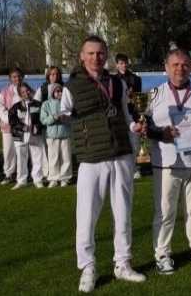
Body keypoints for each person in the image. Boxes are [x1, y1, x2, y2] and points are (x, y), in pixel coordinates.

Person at [58, 35, 146, 292]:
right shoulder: (71, 87)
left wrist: (134, 125)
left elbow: (126, 114)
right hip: (91, 158)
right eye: (91, 53)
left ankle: (123, 263)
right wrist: (64, 116)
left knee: (123, 213)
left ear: (105, 55)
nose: (96, 58)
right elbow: (63, 115)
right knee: (86, 216)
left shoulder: (117, 82)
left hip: (121, 152)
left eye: (100, 53)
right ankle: (87, 266)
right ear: (81, 57)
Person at [145, 49, 191, 274]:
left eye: (185, 65)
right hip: (166, 161)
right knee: (165, 212)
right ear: (166, 67)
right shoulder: (154, 93)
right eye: (175, 65)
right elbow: (145, 126)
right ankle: (162, 253)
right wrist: (161, 134)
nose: (180, 69)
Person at [8, 83, 46, 189]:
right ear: (20, 94)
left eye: (27, 90)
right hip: (20, 135)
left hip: (35, 134)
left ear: (30, 90)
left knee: (37, 156)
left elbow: (42, 119)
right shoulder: (15, 107)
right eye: (23, 92)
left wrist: (38, 126)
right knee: (21, 158)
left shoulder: (38, 104)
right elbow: (12, 121)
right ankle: (21, 180)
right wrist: (22, 127)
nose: (26, 93)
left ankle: (38, 179)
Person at [115, 53, 143, 180]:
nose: (124, 65)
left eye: (125, 63)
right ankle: (122, 168)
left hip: (134, 113)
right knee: (121, 142)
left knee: (134, 143)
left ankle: (135, 168)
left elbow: (139, 98)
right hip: (120, 115)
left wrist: (132, 96)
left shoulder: (136, 79)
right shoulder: (113, 79)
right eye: (121, 63)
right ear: (116, 65)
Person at [40, 83, 73, 187]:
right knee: (53, 157)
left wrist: (65, 119)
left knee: (66, 157)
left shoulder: (67, 104)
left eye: (61, 91)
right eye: (57, 91)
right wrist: (54, 117)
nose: (59, 93)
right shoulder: (46, 104)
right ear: (52, 93)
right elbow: (43, 120)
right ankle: (54, 178)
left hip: (65, 134)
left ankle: (65, 178)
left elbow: (72, 119)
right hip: (52, 135)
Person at [0, 67, 23, 185]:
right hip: (7, 127)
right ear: (10, 79)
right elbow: (0, 108)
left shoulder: (27, 90)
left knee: (21, 150)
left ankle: (22, 173)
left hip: (22, 125)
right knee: (8, 151)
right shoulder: (5, 92)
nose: (17, 79)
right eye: (14, 77)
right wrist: (10, 119)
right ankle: (8, 173)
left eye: (18, 76)